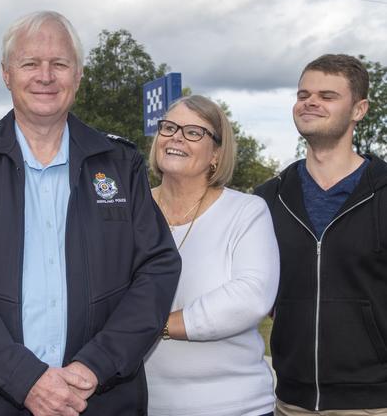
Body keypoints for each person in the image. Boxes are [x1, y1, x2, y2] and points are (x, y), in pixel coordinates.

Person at [0, 10, 181, 416]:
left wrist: (95, 366)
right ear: (6, 74)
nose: (45, 76)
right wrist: (25, 379)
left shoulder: (118, 162)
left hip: (99, 398)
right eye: (30, 63)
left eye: (59, 64)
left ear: (78, 76)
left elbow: (157, 268)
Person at [256, 54, 387, 414]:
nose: (310, 102)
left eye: (328, 96)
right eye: (303, 95)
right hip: (290, 400)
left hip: (373, 403)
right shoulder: (268, 198)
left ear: (359, 110)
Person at [144, 95, 279, 416]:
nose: (176, 136)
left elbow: (250, 297)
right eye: (169, 127)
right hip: (143, 404)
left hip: (235, 405)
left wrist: (151, 326)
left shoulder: (246, 211)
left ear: (216, 154)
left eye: (194, 132)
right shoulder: (129, 212)